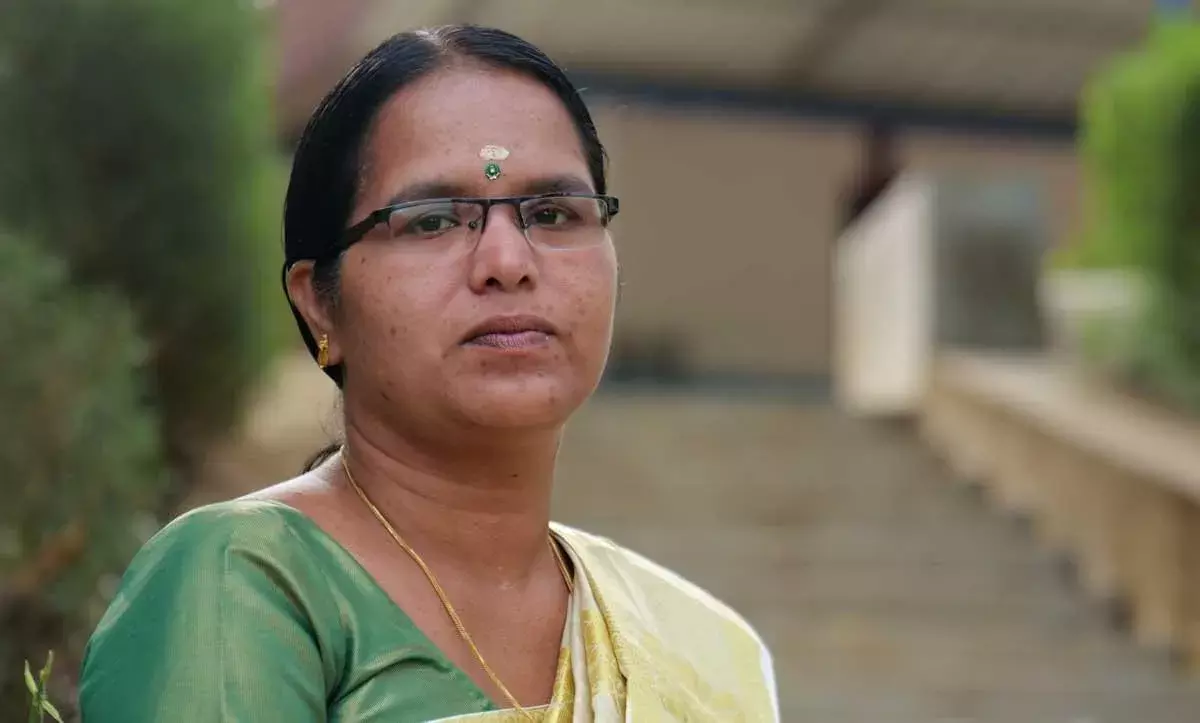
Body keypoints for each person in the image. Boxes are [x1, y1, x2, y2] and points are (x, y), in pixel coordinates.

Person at [78, 25, 779, 722]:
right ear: (319, 302)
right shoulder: (242, 581)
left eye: (552, 213)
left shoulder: (703, 649)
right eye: (433, 220)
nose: (508, 261)